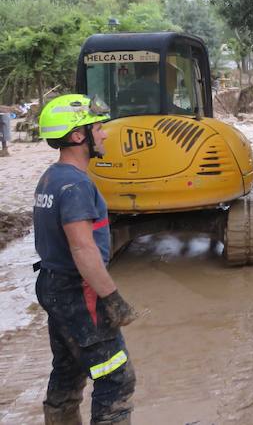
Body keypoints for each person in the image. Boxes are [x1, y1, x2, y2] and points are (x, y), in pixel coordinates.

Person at [33, 94, 137, 424]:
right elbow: (82, 249)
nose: (104, 133)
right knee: (116, 376)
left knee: (68, 370)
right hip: (79, 292)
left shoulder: (51, 178)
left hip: (52, 285)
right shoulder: (76, 184)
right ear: (79, 136)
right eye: (98, 127)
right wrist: (112, 298)